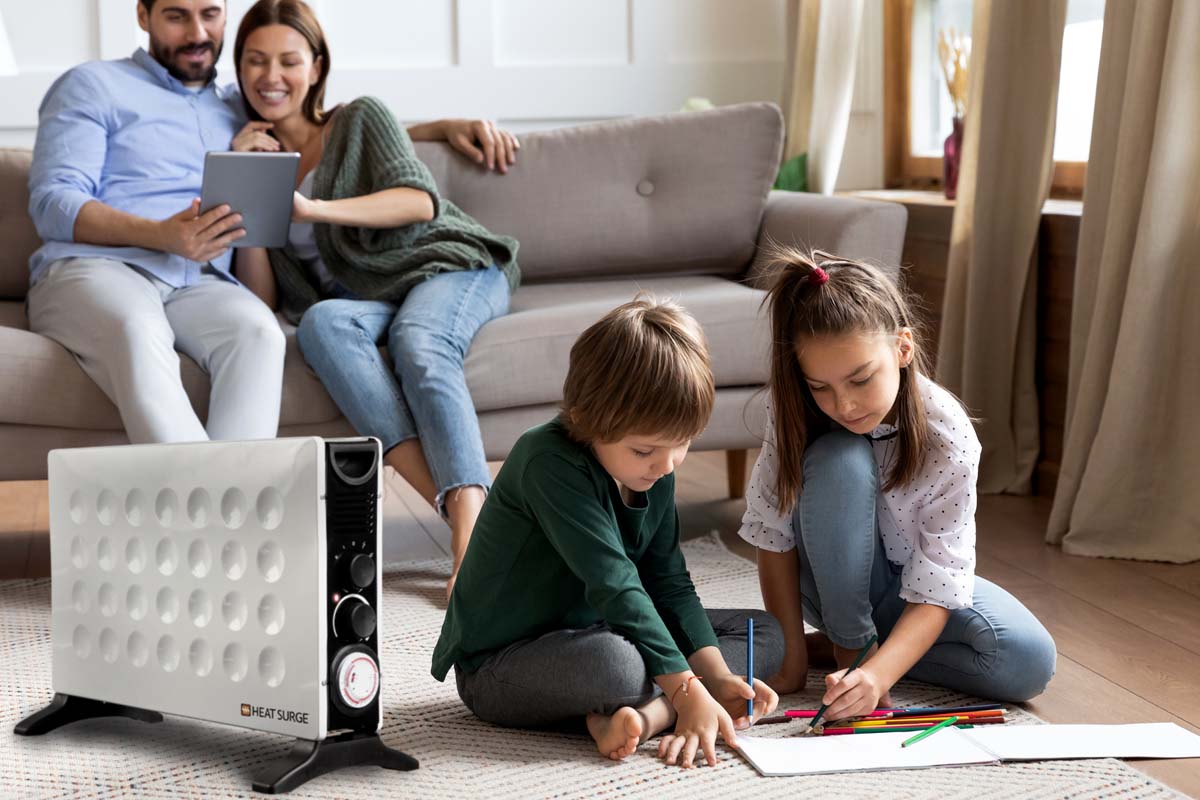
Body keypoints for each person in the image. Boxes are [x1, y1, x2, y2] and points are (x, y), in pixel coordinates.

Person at [25, 0, 512, 445]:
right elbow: (53, 201)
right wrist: (160, 235)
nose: (198, 32)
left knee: (259, 334)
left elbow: (325, 129)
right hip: (99, 268)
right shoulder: (92, 84)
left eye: (210, 13)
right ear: (142, 15)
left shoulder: (240, 100)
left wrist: (442, 127)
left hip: (200, 281)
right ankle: (208, 520)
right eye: (176, 15)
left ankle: (242, 509)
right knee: (136, 328)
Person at [230, 0, 520, 597]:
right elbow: (262, 297)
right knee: (319, 323)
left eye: (288, 60)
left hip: (449, 266)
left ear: (316, 66)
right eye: (255, 61)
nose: (271, 76)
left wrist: (312, 208)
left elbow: (419, 201)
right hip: (370, 299)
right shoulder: (254, 153)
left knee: (420, 341)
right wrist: (246, 185)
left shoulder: (359, 118)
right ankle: (480, 522)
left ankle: (469, 538)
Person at [432, 297, 781, 769]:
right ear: (585, 418)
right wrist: (685, 685)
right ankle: (666, 703)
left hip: (602, 624)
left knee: (764, 634)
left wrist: (714, 676)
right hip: (501, 663)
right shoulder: (546, 460)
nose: (667, 464)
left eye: (681, 444)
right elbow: (615, 582)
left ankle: (650, 713)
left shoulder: (656, 466)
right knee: (615, 666)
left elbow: (667, 580)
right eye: (644, 450)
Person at [741, 247, 1056, 721]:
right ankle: (846, 645)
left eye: (861, 379)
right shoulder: (790, 410)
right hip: (826, 584)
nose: (843, 405)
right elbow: (772, 534)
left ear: (903, 349)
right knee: (839, 457)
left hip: (906, 590)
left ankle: (870, 651)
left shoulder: (948, 435)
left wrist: (880, 674)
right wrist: (790, 659)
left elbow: (941, 576)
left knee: (1028, 662)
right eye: (820, 387)